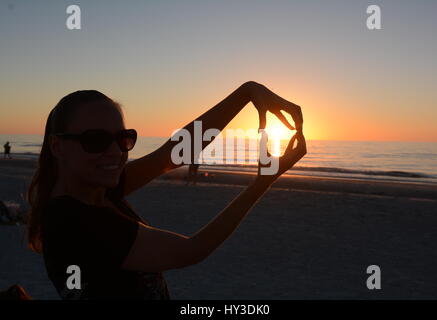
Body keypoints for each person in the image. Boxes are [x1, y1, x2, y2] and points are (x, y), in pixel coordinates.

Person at [27, 81, 306, 300]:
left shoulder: (93, 191)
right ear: (57, 146)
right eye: (95, 140)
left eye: (123, 138)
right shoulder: (75, 221)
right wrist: (262, 182)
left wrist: (247, 93)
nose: (114, 151)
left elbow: (171, 155)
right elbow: (191, 250)